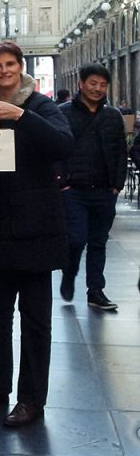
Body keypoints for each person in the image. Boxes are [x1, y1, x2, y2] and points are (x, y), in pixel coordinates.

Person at [0, 41, 73, 428]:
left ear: (21, 67)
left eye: (10, 64)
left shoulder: (41, 106)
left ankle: (31, 399)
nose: (4, 71)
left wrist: (22, 116)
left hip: (35, 228)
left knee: (35, 320)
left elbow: (63, 144)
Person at [57, 63, 127, 310]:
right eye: (93, 83)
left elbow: (121, 150)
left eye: (103, 85)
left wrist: (117, 184)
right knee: (76, 239)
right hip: (73, 190)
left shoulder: (113, 116)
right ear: (81, 84)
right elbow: (54, 150)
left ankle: (95, 291)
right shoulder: (63, 113)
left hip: (104, 190)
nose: (98, 89)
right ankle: (69, 272)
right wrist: (61, 182)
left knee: (98, 242)